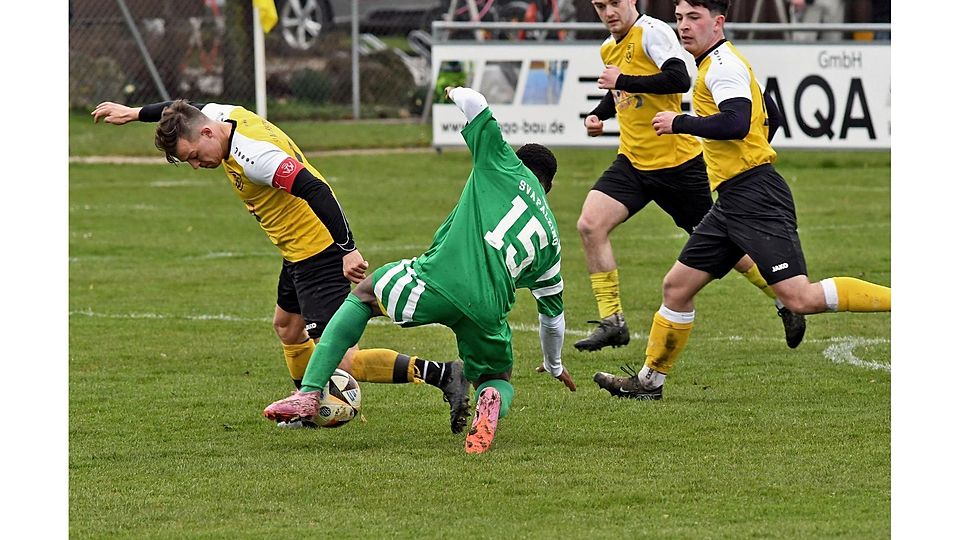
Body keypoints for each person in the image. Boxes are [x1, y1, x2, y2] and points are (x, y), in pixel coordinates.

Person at [91, 100, 470, 431]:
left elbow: (315, 189)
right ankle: (305, 408)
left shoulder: (255, 157)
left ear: (207, 133)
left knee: (341, 357)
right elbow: (179, 108)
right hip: (296, 252)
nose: (196, 165)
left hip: (317, 252)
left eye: (193, 155)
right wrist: (135, 113)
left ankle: (445, 373)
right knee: (287, 327)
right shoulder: (217, 116)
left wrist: (347, 249)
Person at [594, 0, 891, 400]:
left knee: (799, 297)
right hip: (733, 198)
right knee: (676, 288)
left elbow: (735, 122)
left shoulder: (721, 66)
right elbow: (773, 115)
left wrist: (680, 122)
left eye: (694, 18)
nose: (683, 27)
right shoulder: (717, 64)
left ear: (718, 23)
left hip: (755, 197)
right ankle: (649, 383)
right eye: (680, 18)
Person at [262, 86, 577, 454]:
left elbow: (475, 103)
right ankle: (490, 399)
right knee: (496, 376)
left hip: (440, 278)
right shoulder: (552, 238)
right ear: (549, 187)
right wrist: (553, 364)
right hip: (490, 307)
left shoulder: (503, 163)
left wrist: (453, 90)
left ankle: (310, 392)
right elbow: (552, 316)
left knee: (364, 294)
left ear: (521, 162)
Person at [575, 0, 805, 352]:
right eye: (599, 5)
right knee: (590, 224)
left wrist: (621, 79)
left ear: (632, 2)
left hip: (678, 164)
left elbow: (677, 78)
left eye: (614, 3)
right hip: (633, 162)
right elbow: (622, 92)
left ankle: (784, 298)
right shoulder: (609, 46)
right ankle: (612, 321)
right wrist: (599, 113)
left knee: (733, 250)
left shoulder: (652, 32)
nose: (608, 12)